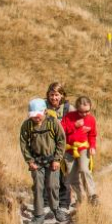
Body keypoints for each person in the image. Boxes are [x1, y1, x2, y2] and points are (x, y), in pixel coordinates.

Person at [19, 98, 68, 224]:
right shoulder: (27, 125)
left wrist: (57, 159)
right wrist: (29, 161)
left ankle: (56, 209)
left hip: (52, 161)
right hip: (36, 162)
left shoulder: (53, 123)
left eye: (38, 115)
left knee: (52, 186)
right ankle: (39, 215)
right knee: (38, 187)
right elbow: (23, 143)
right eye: (33, 116)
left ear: (45, 111)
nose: (36, 118)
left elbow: (61, 141)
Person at [61, 96, 99, 208]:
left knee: (84, 170)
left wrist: (92, 146)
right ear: (77, 108)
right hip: (69, 150)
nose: (84, 114)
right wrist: (74, 125)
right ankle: (80, 199)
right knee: (72, 176)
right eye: (81, 112)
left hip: (83, 149)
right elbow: (61, 131)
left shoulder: (91, 119)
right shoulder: (69, 117)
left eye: (87, 111)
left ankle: (92, 195)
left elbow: (92, 135)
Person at [43, 82, 73, 210]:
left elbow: (76, 126)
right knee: (46, 173)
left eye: (57, 95)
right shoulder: (43, 106)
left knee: (64, 175)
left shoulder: (68, 108)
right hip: (47, 145)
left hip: (65, 146)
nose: (54, 98)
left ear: (62, 95)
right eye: (51, 95)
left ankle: (64, 204)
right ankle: (45, 203)